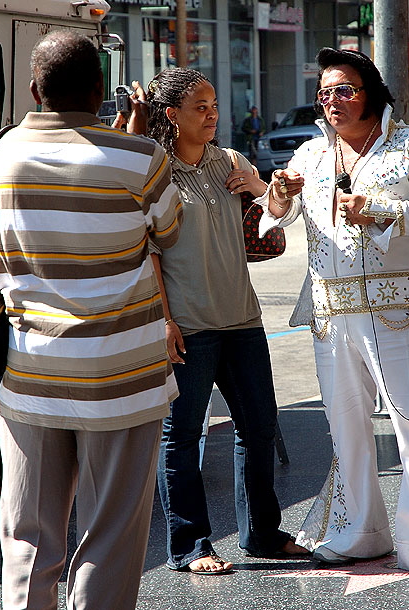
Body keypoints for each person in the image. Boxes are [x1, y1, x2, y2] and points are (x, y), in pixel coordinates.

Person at [259, 47, 409, 578]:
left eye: (345, 90)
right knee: (346, 428)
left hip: (400, 310)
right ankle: (356, 530)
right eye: (325, 93)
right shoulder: (311, 156)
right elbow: (279, 216)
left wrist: (381, 210)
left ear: (372, 93)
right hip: (332, 313)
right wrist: (277, 194)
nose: (333, 101)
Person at [0, 30, 182, 609]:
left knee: (26, 537)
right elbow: (166, 232)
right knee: (110, 534)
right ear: (103, 89)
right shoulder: (141, 156)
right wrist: (136, 137)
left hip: (31, 373)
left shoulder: (2, 153)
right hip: (122, 380)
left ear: (33, 88)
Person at [119, 67, 307, 575]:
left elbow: (273, 222)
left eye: (214, 105)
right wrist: (161, 319)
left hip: (241, 316)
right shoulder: (154, 171)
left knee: (260, 427)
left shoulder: (231, 160)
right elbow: (145, 249)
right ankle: (191, 546)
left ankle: (263, 534)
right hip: (187, 323)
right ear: (170, 115)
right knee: (180, 437)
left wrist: (268, 188)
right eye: (199, 107)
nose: (211, 115)